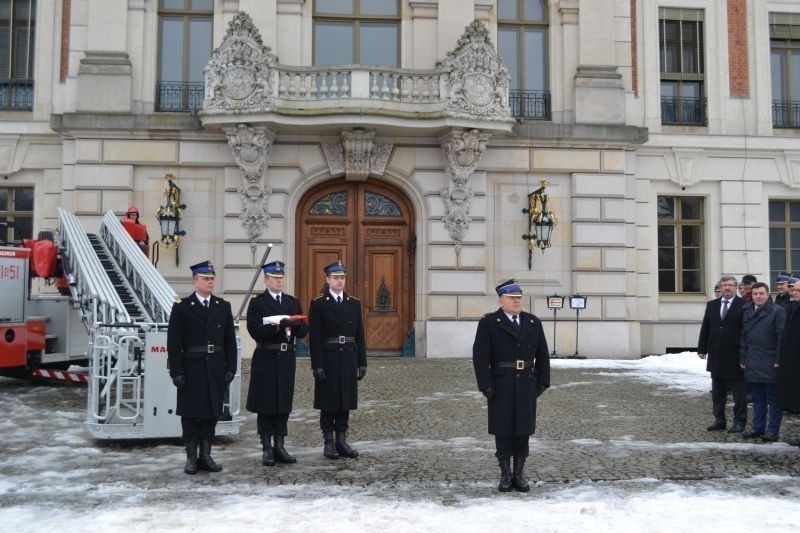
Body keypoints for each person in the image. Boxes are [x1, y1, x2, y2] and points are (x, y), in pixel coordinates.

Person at [472, 279, 550, 493]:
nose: (517, 302)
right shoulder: (489, 323)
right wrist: (485, 384)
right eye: (512, 298)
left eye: (519, 298)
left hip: (526, 382)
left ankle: (519, 473)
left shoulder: (533, 322)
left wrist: (543, 381)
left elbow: (543, 355)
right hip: (501, 382)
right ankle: (505, 474)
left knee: (523, 429)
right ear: (501, 300)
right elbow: (480, 356)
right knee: (503, 429)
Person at [167, 260, 237, 474]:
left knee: (210, 413)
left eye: (212, 279)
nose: (210, 282)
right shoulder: (182, 307)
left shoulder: (222, 307)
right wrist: (176, 371)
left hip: (214, 367)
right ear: (195, 281)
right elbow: (174, 342)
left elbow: (230, 342)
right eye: (206, 279)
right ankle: (191, 457)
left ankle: (206, 455)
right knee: (190, 415)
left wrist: (230, 368)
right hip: (191, 367)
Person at [246, 260, 308, 466]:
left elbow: (303, 331)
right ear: (266, 280)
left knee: (283, 402)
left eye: (281, 278)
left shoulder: (292, 301)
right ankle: (266, 447)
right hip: (266, 356)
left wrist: (296, 325)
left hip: (286, 357)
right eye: (275, 278)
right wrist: (277, 326)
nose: (279, 281)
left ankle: (280, 445)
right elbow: (254, 330)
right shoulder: (257, 303)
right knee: (266, 402)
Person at [308, 260, 367, 460]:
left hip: (349, 355)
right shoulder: (318, 303)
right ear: (328, 279)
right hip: (329, 356)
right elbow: (314, 337)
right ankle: (328, 442)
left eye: (342, 278)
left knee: (345, 402)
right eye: (336, 278)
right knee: (329, 402)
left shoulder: (354, 303)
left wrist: (362, 361)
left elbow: (360, 334)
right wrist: (317, 364)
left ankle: (342, 440)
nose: (340, 282)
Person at [697, 275, 747, 433]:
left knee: (739, 395)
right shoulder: (712, 305)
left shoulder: (744, 305)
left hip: (736, 356)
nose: (727, 288)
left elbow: (747, 330)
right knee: (717, 393)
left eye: (731, 285)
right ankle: (719, 420)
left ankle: (739, 422)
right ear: (720, 287)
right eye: (724, 285)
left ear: (736, 287)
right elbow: (706, 326)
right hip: (716, 354)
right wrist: (702, 348)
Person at [740, 282, 785, 442]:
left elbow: (781, 336)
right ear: (751, 296)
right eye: (755, 294)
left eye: (761, 293)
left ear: (768, 295)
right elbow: (744, 336)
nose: (758, 296)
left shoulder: (777, 312)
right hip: (752, 360)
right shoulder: (747, 311)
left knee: (773, 400)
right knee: (757, 399)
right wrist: (743, 357)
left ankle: (772, 431)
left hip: (771, 361)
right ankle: (757, 428)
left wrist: (779, 359)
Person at [778, 278, 800, 446]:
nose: (793, 293)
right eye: (793, 290)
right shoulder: (793, 307)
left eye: (797, 290)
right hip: (793, 360)